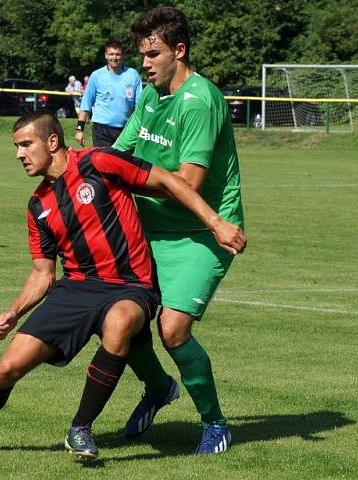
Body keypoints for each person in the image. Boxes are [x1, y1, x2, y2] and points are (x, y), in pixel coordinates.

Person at [0, 111, 246, 460]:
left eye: (25, 145)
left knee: (119, 323)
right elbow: (42, 274)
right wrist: (14, 311)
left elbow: (171, 182)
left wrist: (216, 223)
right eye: (16, 147)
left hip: (130, 286)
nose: (18, 154)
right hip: (75, 290)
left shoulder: (100, 161)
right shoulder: (38, 205)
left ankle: (81, 427)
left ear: (52, 142)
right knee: (8, 367)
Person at [110, 6, 245, 455]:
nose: (144, 63)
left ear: (179, 51)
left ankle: (215, 422)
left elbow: (188, 184)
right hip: (150, 228)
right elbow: (120, 155)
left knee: (172, 329)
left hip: (204, 232)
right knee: (117, 320)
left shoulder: (199, 101)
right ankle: (158, 388)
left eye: (153, 54)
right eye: (142, 54)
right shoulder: (151, 95)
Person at [75, 40, 142, 148]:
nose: (114, 57)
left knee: (123, 164)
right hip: (102, 130)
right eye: (111, 54)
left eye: (118, 54)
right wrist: (79, 130)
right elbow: (85, 105)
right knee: (102, 163)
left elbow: (140, 106)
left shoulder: (133, 75)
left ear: (122, 56)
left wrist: (140, 127)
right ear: (106, 55)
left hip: (126, 130)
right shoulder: (97, 76)